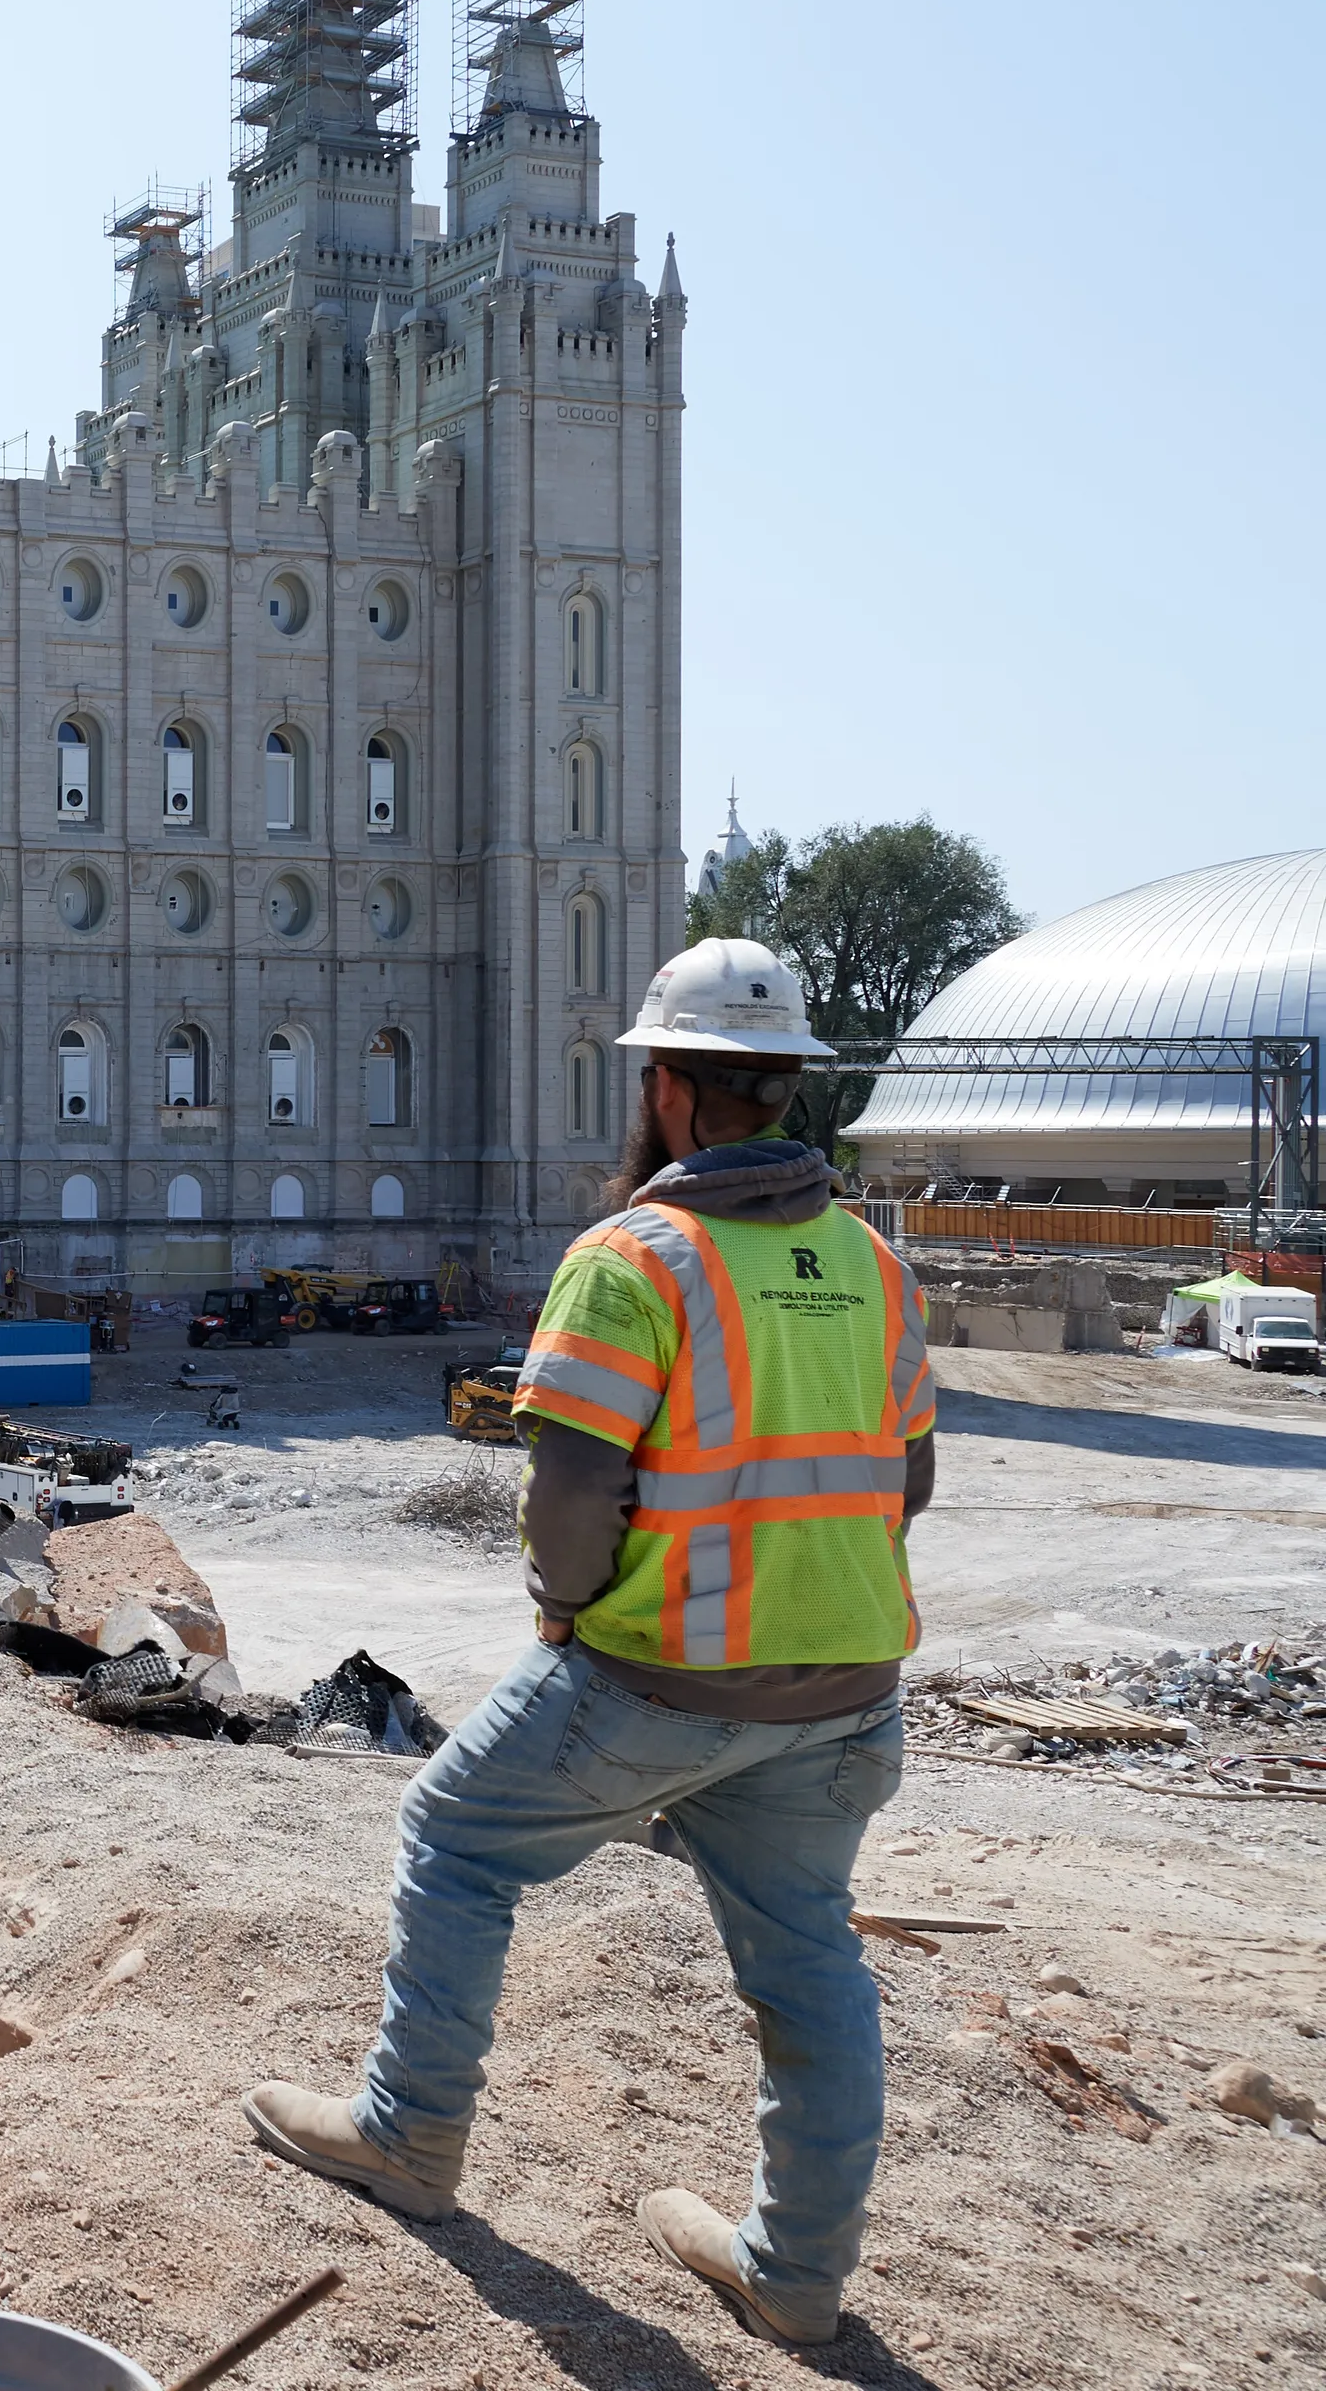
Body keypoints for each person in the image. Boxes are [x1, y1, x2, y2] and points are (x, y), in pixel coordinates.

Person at [239, 937, 934, 2347]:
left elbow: (569, 1494)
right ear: (788, 1088)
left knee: (454, 1834)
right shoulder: (869, 1259)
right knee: (807, 1957)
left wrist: (569, 1613)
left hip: (653, 1676)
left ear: (668, 1091)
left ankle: (409, 2139)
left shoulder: (633, 1257)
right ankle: (797, 2281)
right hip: (848, 1689)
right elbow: (907, 1480)